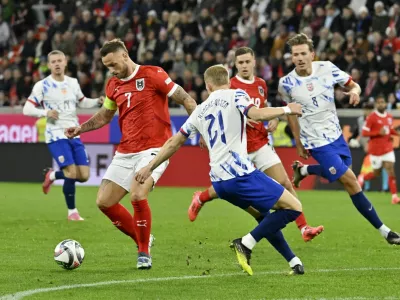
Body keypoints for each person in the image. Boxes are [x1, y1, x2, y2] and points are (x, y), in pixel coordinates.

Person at [135, 65, 306, 276]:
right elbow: (257, 113)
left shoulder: (200, 109)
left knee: (263, 216)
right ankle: (245, 243)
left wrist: (149, 166)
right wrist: (287, 109)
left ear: (208, 86)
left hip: (220, 183)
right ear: (228, 80)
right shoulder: (237, 95)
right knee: (294, 207)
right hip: (240, 175)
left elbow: (173, 142)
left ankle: (294, 261)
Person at [65, 39, 197, 269]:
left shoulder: (153, 74)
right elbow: (105, 116)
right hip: (126, 150)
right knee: (104, 202)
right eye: (107, 66)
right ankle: (142, 237)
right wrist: (81, 128)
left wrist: (200, 128)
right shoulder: (112, 85)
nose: (112, 70)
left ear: (125, 55)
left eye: (113, 64)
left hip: (155, 148)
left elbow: (186, 99)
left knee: (137, 194)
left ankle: (143, 252)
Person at [189, 47, 323, 242]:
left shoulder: (261, 84)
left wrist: (275, 118)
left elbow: (264, 106)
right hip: (238, 149)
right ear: (235, 65)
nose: (244, 65)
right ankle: (201, 198)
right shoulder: (229, 85)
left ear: (254, 62)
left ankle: (304, 228)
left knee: (285, 182)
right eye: (240, 62)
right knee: (226, 188)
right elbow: (212, 112)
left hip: (260, 143)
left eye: (247, 62)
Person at [280, 33, 400, 245]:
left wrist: (354, 91)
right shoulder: (286, 83)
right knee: (351, 182)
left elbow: (353, 85)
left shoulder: (326, 68)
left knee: (343, 175)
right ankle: (386, 232)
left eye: (302, 53)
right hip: (315, 142)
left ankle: (304, 170)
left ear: (312, 54)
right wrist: (298, 142)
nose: (298, 58)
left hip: (337, 137)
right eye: (295, 54)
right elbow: (290, 114)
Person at [23, 50, 104, 221]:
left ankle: (52, 175)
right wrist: (45, 112)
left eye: (60, 60)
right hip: (55, 135)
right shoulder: (42, 85)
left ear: (65, 62)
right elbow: (27, 109)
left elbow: (82, 102)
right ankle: (72, 212)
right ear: (49, 65)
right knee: (71, 172)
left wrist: (97, 101)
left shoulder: (73, 83)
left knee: (84, 176)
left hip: (74, 133)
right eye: (53, 61)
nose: (57, 64)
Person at [358, 95, 400, 204]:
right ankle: (362, 177)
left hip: (388, 148)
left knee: (391, 171)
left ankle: (394, 197)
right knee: (376, 173)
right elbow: (364, 133)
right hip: (376, 151)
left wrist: (397, 134)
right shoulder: (371, 117)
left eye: (383, 102)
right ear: (376, 105)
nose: (381, 104)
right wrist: (377, 133)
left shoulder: (389, 117)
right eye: (379, 102)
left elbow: (389, 130)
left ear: (385, 104)